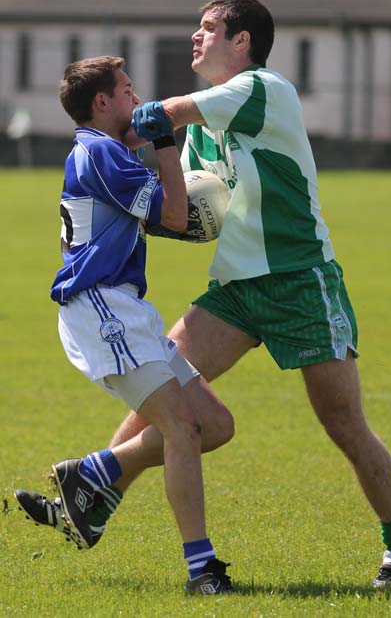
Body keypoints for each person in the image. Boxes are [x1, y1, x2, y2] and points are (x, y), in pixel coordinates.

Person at [18, 0, 391, 589]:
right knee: (159, 391)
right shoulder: (202, 135)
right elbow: (181, 200)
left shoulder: (263, 89)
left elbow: (165, 115)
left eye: (209, 29)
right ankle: (90, 500)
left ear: (242, 42)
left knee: (344, 424)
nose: (195, 36)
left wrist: (105, 123)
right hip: (236, 288)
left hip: (300, 281)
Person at [14, 55, 233, 595]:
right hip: (101, 308)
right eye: (128, 89)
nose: (138, 99)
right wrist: (166, 144)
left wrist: (158, 133)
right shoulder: (103, 153)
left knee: (215, 424)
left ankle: (91, 474)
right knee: (182, 428)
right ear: (102, 102)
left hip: (122, 307)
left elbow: (151, 210)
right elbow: (178, 216)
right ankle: (201, 570)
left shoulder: (102, 149)